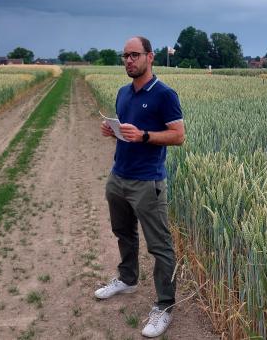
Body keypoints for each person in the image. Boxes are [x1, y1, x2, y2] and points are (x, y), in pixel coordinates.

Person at [96, 36, 185, 338]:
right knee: (122, 232)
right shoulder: (123, 93)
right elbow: (127, 129)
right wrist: (114, 131)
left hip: (148, 181)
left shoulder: (164, 94)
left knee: (160, 246)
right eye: (125, 56)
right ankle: (127, 279)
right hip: (118, 175)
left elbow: (178, 136)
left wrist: (145, 135)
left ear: (150, 57)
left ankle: (164, 306)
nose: (129, 60)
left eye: (135, 55)